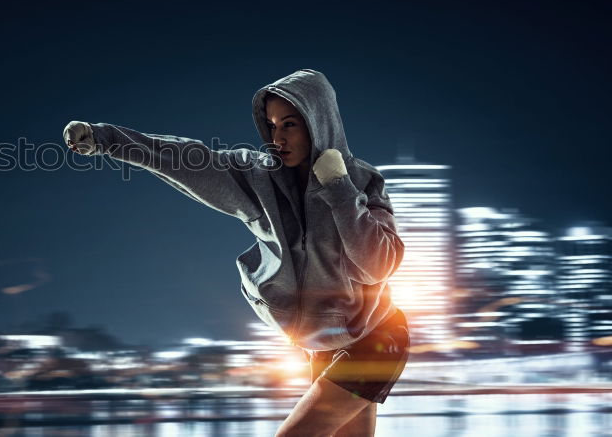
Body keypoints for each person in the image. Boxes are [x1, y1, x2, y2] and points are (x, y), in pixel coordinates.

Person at [64, 69, 408, 436]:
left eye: (289, 125)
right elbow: (185, 157)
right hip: (321, 347)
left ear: (317, 122)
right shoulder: (257, 179)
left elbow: (378, 265)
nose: (278, 138)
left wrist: (339, 188)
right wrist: (107, 140)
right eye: (272, 126)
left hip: (375, 341)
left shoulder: (361, 181)